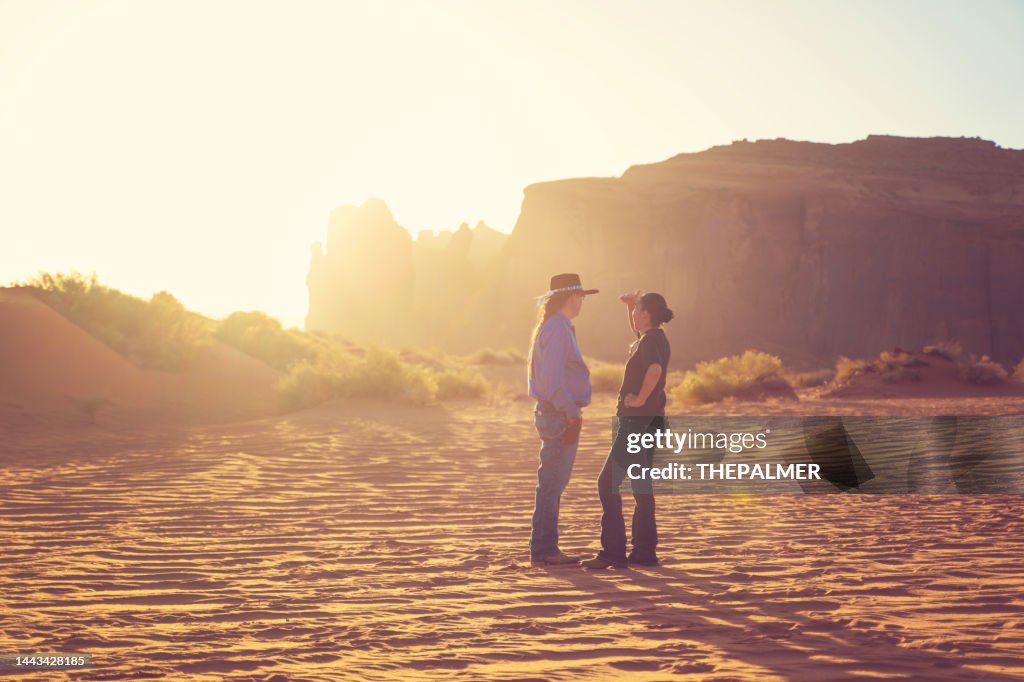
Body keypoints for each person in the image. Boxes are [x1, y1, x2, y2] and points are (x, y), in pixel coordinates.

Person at [582, 291, 674, 569]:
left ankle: (613, 552)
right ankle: (645, 553)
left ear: (647, 314)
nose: (634, 316)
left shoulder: (651, 342)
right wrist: (631, 306)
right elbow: (641, 340)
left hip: (636, 422)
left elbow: (655, 370)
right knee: (640, 487)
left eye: (637, 311)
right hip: (650, 422)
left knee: (607, 483)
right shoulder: (654, 339)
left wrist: (641, 398)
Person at [527, 273, 598, 566]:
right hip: (559, 414)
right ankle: (545, 550)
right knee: (553, 482)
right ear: (571, 297)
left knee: (552, 481)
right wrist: (570, 412)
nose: (582, 301)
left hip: (555, 412)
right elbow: (552, 380)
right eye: (580, 296)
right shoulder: (557, 328)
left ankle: (544, 548)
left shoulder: (555, 326)